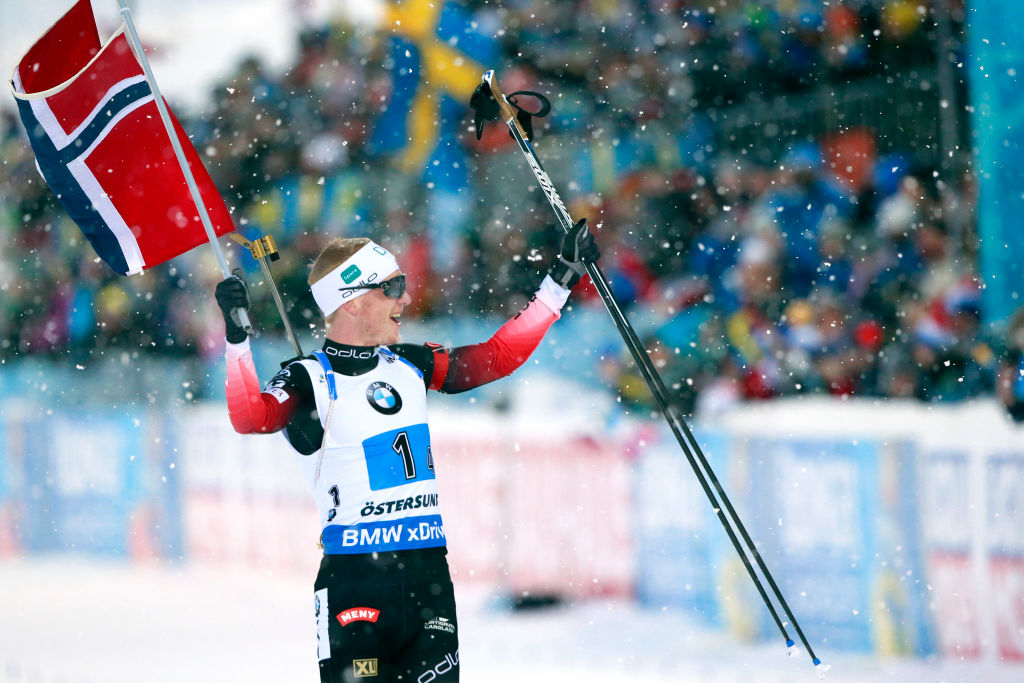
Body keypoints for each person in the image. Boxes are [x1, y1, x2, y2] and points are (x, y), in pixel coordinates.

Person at [214, 219, 599, 683]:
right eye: (393, 287)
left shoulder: (411, 364)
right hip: (355, 583)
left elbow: (495, 358)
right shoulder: (307, 379)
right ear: (354, 302)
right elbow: (250, 417)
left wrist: (560, 279)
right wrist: (238, 341)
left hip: (426, 577)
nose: (406, 298)